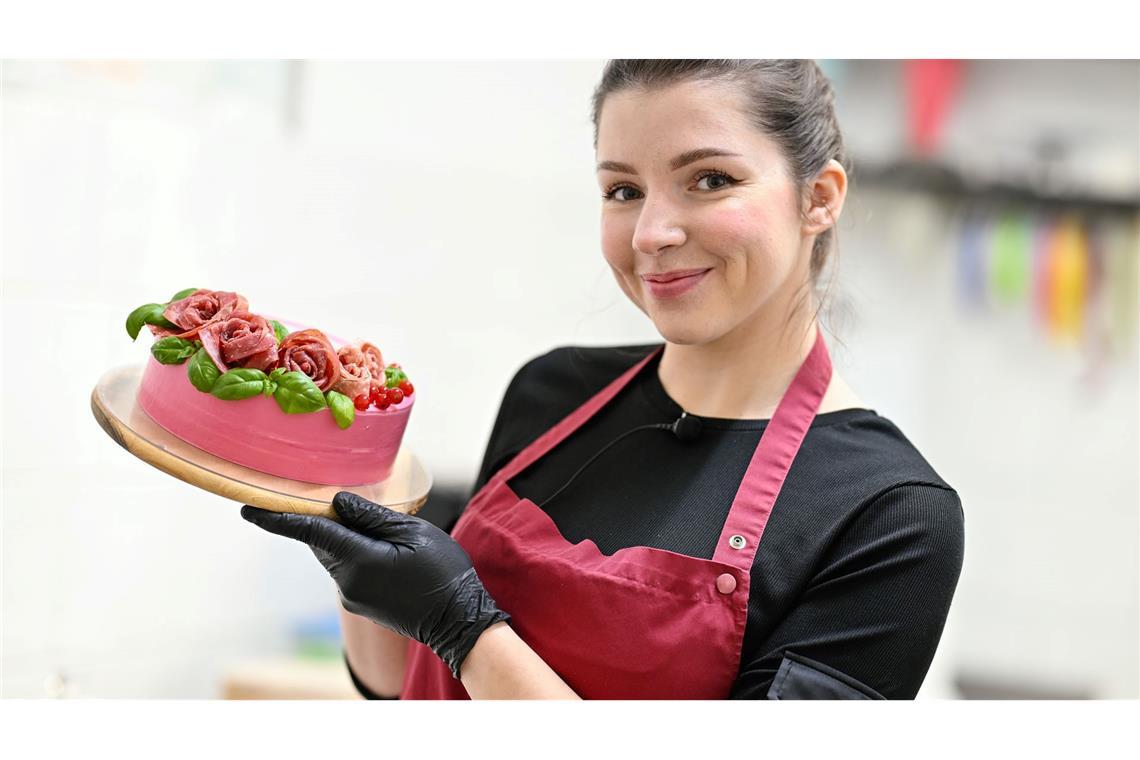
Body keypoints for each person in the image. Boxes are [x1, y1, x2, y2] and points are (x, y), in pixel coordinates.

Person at [242, 59, 965, 700]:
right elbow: (406, 689)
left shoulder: (889, 516)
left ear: (820, 197)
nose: (651, 232)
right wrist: (352, 526)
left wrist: (465, 629)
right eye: (622, 190)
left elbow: (458, 644)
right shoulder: (552, 392)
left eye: (709, 180)